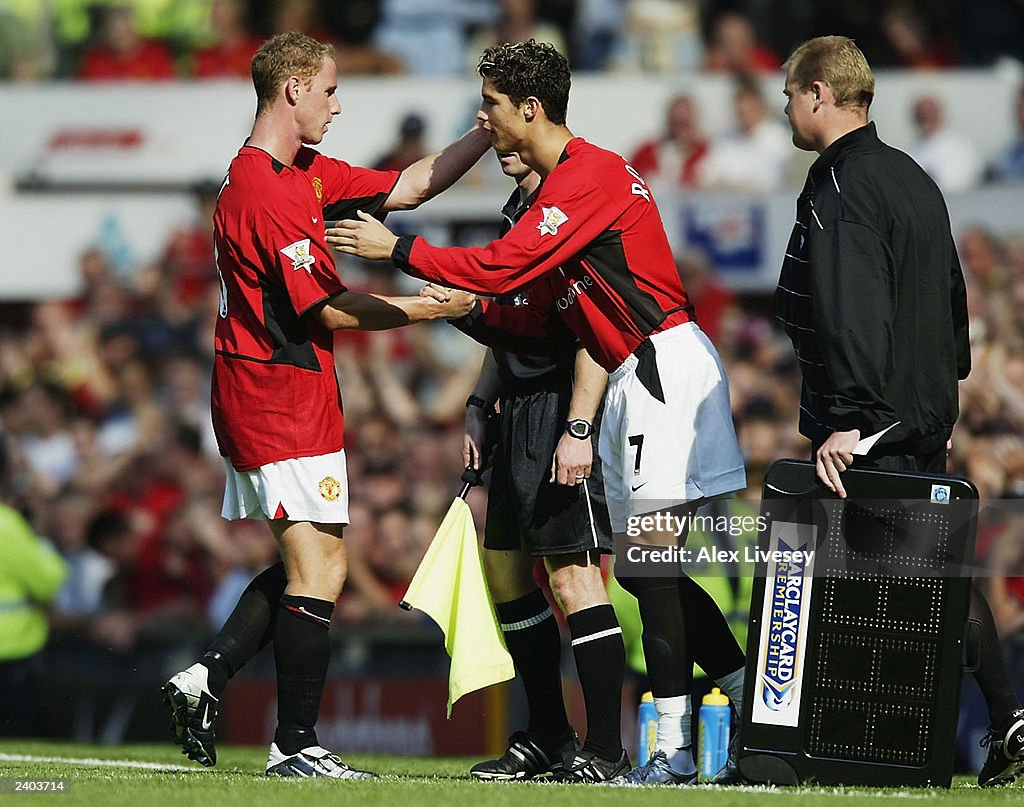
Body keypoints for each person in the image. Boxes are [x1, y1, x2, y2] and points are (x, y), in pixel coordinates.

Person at [327, 39, 748, 785]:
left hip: (657, 367)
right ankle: (711, 717)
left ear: (529, 109)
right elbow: (512, 298)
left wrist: (399, 250)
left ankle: (674, 745)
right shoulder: (559, 185)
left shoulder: (588, 176)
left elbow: (501, 272)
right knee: (649, 572)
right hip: (633, 374)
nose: (482, 118)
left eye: (489, 104)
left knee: (642, 570)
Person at [161, 31, 486, 780]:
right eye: (331, 91)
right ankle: (296, 743)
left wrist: (480, 132)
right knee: (321, 568)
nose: (339, 105)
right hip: (278, 391)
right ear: (294, 90)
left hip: (275, 387)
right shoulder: (269, 193)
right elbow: (330, 311)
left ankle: (207, 675)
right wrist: (433, 310)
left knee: (314, 561)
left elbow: (407, 187)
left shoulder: (294, 172)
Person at [775, 34, 1024, 789]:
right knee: (933, 576)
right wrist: (936, 391)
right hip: (921, 410)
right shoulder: (915, 177)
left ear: (820, 92)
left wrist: (849, 419)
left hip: (871, 421)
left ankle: (861, 745)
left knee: (865, 591)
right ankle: (1007, 716)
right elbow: (954, 302)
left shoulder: (842, 185)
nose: (785, 105)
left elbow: (851, 310)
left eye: (790, 92)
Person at [455, 149, 622, 781]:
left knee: (575, 579)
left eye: (495, 112)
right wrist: (478, 402)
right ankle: (549, 733)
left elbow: (593, 333)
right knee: (505, 575)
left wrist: (578, 427)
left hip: (561, 411)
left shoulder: (568, 211)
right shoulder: (519, 215)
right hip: (516, 412)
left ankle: (605, 747)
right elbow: (509, 327)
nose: (490, 134)